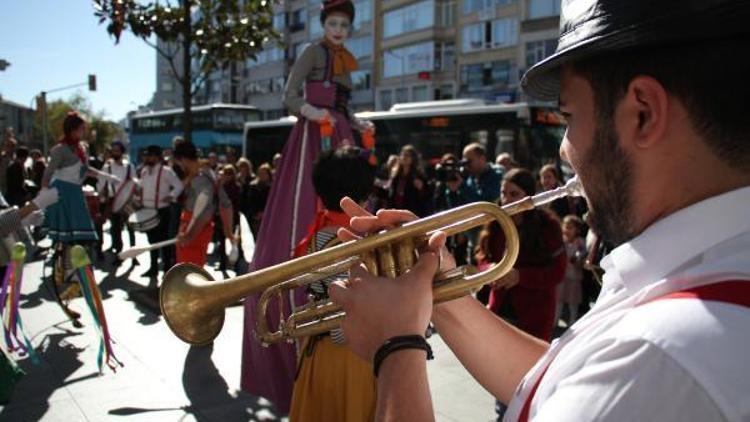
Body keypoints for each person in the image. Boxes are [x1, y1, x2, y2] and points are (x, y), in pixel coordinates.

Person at [328, 1, 750, 420]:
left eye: (568, 115)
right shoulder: (703, 281)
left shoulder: (655, 360)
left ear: (642, 113)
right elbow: (558, 384)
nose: (564, 149)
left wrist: (395, 347)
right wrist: (440, 291)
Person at [240, 0, 374, 412]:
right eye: (333, 23)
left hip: (339, 133)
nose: (338, 29)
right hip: (314, 136)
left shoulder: (344, 59)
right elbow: (288, 96)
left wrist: (358, 122)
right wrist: (314, 113)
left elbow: (343, 104)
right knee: (306, 214)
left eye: (344, 24)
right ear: (323, 25)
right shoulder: (313, 52)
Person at [289, 146, 376, 422]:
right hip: (352, 360)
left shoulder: (317, 236)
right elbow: (343, 325)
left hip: (319, 356)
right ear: (364, 193)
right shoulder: (352, 240)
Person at [476, 168, 567, 342]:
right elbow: (482, 257)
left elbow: (558, 272)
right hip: (499, 311)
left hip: (534, 315)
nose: (506, 200)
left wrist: (520, 276)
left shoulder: (548, 225)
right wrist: (490, 269)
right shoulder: (495, 222)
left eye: (514, 194)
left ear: (528, 196)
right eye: (503, 193)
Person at [172, 141, 233, 267]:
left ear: (182, 159)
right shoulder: (208, 172)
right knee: (195, 269)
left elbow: (205, 209)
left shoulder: (199, 178)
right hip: (200, 228)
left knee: (188, 273)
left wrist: (189, 235)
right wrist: (229, 232)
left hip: (194, 228)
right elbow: (226, 204)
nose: (178, 166)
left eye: (177, 162)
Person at [137, 145, 183, 277]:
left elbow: (179, 185)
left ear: (158, 157)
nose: (148, 157)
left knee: (163, 241)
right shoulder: (145, 171)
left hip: (162, 211)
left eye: (151, 155)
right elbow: (141, 186)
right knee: (151, 241)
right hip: (147, 210)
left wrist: (171, 195)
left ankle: (167, 270)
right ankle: (153, 268)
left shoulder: (166, 171)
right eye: (147, 155)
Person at [97, 141, 137, 256]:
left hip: (128, 202)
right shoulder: (107, 167)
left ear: (122, 152)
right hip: (113, 201)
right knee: (115, 229)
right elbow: (101, 182)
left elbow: (134, 183)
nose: (115, 152)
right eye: (113, 150)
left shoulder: (129, 166)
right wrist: (101, 195)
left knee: (131, 229)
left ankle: (133, 254)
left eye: (117, 150)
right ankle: (118, 253)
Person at [557, 214, 586, 326]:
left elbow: (581, 254)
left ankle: (572, 321)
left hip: (574, 276)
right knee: (559, 299)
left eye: (570, 227)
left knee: (573, 301)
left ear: (577, 230)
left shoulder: (580, 243)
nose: (567, 230)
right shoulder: (560, 241)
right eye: (565, 227)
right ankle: (555, 320)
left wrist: (579, 258)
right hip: (562, 276)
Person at [387, 145, 429, 217]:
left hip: (411, 213)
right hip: (396, 212)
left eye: (407, 155)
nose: (404, 157)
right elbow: (391, 195)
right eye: (403, 155)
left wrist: (421, 188)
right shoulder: (396, 175)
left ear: (413, 158)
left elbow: (426, 196)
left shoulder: (418, 176)